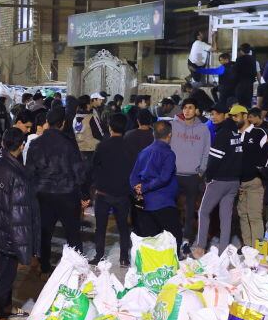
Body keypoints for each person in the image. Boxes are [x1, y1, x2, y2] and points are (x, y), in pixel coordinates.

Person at [0, 128, 39, 318]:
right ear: (22, 146)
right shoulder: (18, 176)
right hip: (8, 235)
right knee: (6, 277)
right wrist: (25, 250)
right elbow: (20, 216)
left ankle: (3, 307)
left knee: (2, 271)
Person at [25, 105, 87, 274]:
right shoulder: (68, 144)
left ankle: (45, 266)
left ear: (47, 122)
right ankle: (76, 267)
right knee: (73, 233)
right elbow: (79, 171)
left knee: (45, 233)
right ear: (63, 123)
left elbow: (29, 172)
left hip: (43, 195)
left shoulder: (36, 144)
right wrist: (83, 191)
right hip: (67, 194)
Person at [192, 104, 244, 258]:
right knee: (226, 217)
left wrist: (208, 177)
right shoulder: (236, 133)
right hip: (234, 181)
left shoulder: (223, 134)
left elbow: (214, 160)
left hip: (219, 181)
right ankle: (223, 252)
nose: (213, 117)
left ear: (225, 115)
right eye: (211, 114)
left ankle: (200, 248)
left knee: (203, 212)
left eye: (216, 114)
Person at [89, 113, 133, 266]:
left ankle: (99, 255)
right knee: (123, 227)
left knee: (100, 227)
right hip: (123, 194)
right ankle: (124, 257)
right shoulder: (129, 147)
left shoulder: (102, 145)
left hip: (103, 193)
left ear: (110, 127)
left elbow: (94, 166)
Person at [129, 121, 181, 245]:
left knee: (151, 241)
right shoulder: (169, 154)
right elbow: (164, 178)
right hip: (164, 203)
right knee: (173, 239)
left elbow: (133, 176)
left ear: (153, 134)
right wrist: (145, 187)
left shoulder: (144, 152)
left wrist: (138, 190)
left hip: (145, 204)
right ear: (170, 135)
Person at [170, 98, 209, 253]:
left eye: (190, 108)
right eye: (185, 108)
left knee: (190, 209)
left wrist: (201, 171)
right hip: (174, 175)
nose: (187, 111)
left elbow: (206, 151)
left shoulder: (203, 129)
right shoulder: (174, 126)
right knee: (171, 208)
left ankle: (186, 239)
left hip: (193, 176)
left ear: (196, 110)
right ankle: (172, 236)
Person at [237, 106, 268, 247]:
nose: (233, 119)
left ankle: (257, 249)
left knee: (255, 216)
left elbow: (267, 155)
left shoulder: (258, 133)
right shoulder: (233, 134)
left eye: (236, 116)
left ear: (245, 116)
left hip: (254, 181)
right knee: (243, 216)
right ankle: (247, 246)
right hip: (238, 183)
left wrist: (260, 172)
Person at [234, 43, 258, 108]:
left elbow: (235, 72)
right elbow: (255, 72)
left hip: (241, 83)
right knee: (248, 103)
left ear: (241, 51)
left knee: (240, 103)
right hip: (250, 84)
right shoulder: (253, 59)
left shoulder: (239, 59)